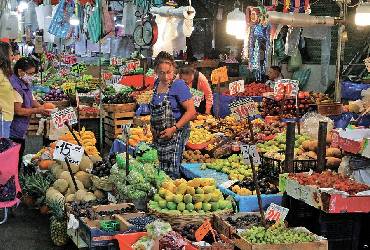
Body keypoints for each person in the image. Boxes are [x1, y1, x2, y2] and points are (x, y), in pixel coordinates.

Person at [150, 51, 196, 179]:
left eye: (169, 72)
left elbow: (191, 112)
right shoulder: (156, 84)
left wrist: (174, 129)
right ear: (156, 71)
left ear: (174, 69)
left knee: (171, 173)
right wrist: (151, 126)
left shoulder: (178, 85)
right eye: (161, 73)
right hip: (159, 137)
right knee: (158, 171)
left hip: (175, 135)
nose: (165, 77)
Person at [9, 57, 48, 169]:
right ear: (20, 71)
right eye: (29, 73)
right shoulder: (14, 86)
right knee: (13, 160)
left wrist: (42, 108)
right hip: (13, 130)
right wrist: (38, 110)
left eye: (33, 74)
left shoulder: (24, 81)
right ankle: (11, 183)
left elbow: (31, 99)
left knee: (19, 155)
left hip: (21, 128)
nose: (31, 76)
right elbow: (18, 111)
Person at [0, 42, 15, 138]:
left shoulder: (2, 73)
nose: (12, 56)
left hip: (6, 117)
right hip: (2, 118)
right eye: (10, 54)